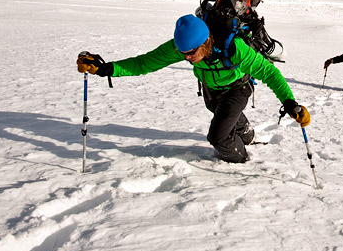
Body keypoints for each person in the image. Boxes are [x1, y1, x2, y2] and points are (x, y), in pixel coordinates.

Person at [77, 14, 309, 163]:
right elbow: (144, 63)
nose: (187, 58)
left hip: (238, 89)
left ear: (205, 41)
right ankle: (247, 134)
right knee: (223, 115)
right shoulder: (182, 47)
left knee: (218, 137)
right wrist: (107, 68)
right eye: (183, 53)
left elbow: (268, 72)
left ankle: (242, 162)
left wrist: (289, 102)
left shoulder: (235, 48)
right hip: (211, 92)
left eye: (191, 53)